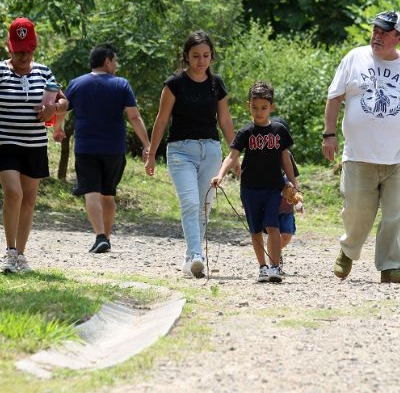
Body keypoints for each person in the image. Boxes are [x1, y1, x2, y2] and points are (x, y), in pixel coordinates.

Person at [321, 10, 400, 284]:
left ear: (398, 38)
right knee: (356, 212)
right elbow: (335, 96)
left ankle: (390, 266)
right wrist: (329, 134)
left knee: (394, 214)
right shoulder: (355, 58)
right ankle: (348, 249)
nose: (377, 35)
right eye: (375, 30)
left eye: (384, 32)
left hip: (399, 156)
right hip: (359, 154)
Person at [0, 17, 68, 274]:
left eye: (28, 49)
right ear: (9, 47)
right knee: (13, 193)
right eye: (19, 50)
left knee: (28, 199)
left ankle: (21, 256)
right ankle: (9, 251)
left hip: (34, 143)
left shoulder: (44, 72)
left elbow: (64, 102)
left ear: (35, 46)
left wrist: (53, 108)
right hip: (4, 141)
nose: (24, 55)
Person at [145, 30, 238, 278]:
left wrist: (235, 153)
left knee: (204, 205)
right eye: (196, 56)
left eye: (206, 55)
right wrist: (151, 153)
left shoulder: (216, 84)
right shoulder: (174, 84)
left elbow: (225, 120)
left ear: (211, 57)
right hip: (180, 151)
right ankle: (198, 256)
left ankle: (190, 258)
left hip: (210, 150)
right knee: (190, 202)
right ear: (187, 56)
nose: (201, 61)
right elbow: (162, 119)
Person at [54, 44, 151, 253]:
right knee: (108, 194)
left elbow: (62, 106)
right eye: (115, 61)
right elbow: (134, 116)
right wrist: (147, 144)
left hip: (86, 148)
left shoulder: (76, 84)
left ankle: (100, 236)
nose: (116, 66)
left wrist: (58, 128)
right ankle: (105, 237)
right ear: (107, 61)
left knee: (91, 193)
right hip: (114, 149)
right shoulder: (121, 85)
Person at [211, 81, 299, 283]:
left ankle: (275, 267)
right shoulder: (245, 132)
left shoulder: (279, 131)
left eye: (263, 108)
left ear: (271, 107)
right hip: (250, 188)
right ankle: (262, 267)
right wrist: (220, 175)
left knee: (273, 225)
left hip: (273, 187)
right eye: (254, 107)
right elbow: (232, 156)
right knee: (256, 229)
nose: (259, 112)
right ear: (248, 105)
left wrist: (292, 183)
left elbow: (285, 157)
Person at [267, 116, 303, 275]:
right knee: (273, 233)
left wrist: (298, 200)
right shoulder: (263, 156)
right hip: (271, 206)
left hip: (287, 207)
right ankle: (274, 259)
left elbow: (295, 181)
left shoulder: (288, 157)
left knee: (287, 235)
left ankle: (275, 252)